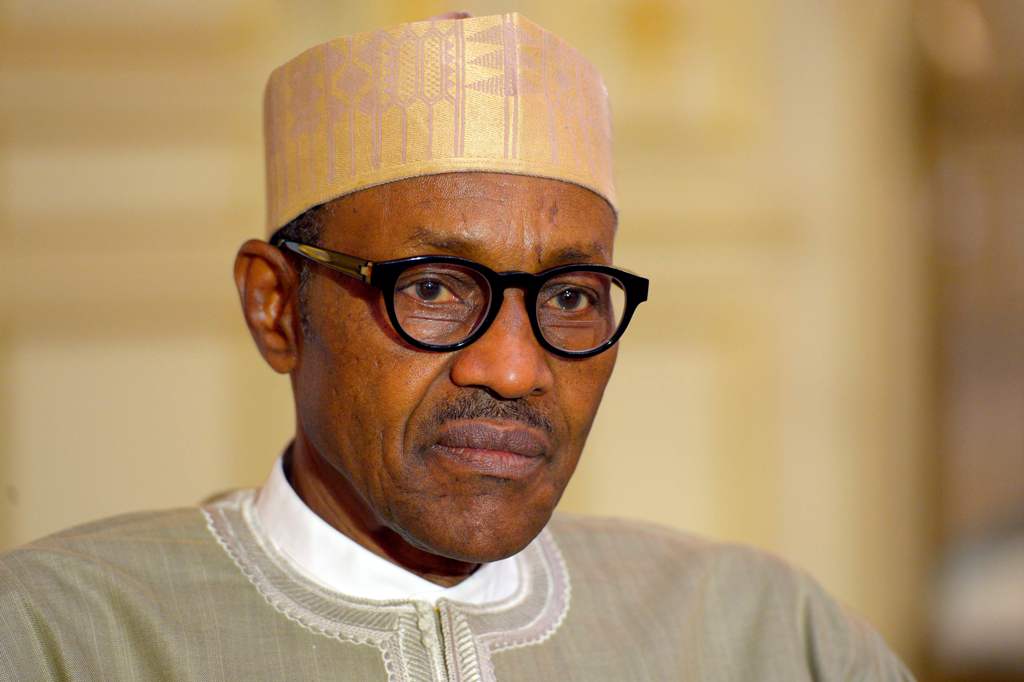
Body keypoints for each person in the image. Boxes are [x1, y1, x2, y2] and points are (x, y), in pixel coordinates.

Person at [0, 12, 913, 681]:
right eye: (433, 288)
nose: (514, 370)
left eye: (568, 297)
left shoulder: (759, 636)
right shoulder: (63, 637)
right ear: (278, 308)